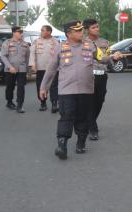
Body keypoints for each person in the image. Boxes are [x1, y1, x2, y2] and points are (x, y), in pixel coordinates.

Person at [39, 21, 94, 160]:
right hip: (66, 90)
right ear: (69, 34)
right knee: (66, 116)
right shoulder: (60, 47)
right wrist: (43, 87)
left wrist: (113, 58)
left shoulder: (90, 45)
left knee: (83, 117)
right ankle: (62, 145)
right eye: (78, 30)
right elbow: (51, 69)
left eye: (82, 30)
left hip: (85, 90)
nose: (82, 32)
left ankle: (81, 142)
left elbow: (102, 58)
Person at [83, 18, 122, 141]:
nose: (97, 29)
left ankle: (90, 122)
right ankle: (93, 129)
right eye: (94, 27)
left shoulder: (105, 42)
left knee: (100, 100)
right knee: (89, 102)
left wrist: (115, 58)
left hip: (102, 75)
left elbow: (108, 59)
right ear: (87, 29)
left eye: (97, 27)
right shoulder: (82, 42)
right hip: (88, 75)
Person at [29, 25, 60, 113]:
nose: (41, 32)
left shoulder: (56, 41)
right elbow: (32, 53)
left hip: (53, 68)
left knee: (54, 86)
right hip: (41, 68)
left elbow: (59, 54)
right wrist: (33, 65)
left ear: (49, 32)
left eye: (43, 30)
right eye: (41, 30)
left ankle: (54, 103)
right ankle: (43, 102)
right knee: (41, 85)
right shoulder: (36, 41)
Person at [0, 26, 30, 113]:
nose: (21, 33)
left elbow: (27, 57)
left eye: (22, 32)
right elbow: (3, 56)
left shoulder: (25, 44)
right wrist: (10, 67)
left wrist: (28, 69)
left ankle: (20, 105)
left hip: (22, 69)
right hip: (10, 69)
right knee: (10, 87)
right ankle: (9, 102)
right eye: (19, 32)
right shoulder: (7, 43)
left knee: (21, 87)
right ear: (14, 33)